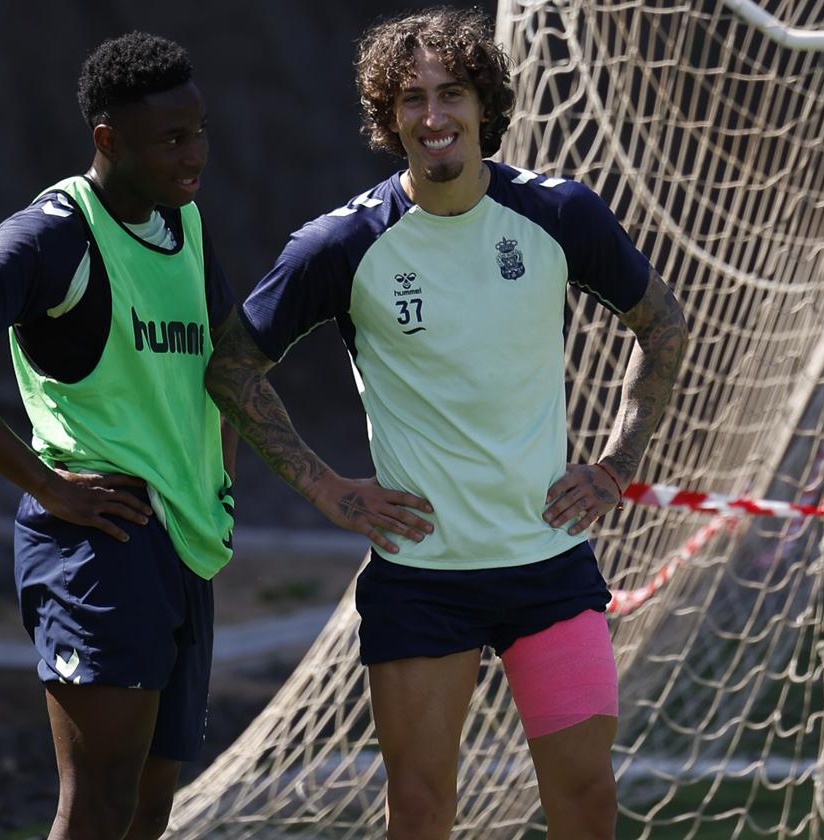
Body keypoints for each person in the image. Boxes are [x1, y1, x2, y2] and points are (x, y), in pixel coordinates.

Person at [204, 7, 688, 840]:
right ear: (388, 119)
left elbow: (664, 327)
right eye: (412, 99)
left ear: (484, 105)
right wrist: (328, 490)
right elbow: (232, 365)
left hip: (549, 565)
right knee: (422, 813)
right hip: (423, 578)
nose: (434, 116)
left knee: (586, 804)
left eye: (452, 94)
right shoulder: (341, 243)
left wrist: (615, 464)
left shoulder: (560, 214)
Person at [0, 31, 237, 840]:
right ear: (107, 141)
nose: (193, 156)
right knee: (96, 804)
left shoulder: (184, 224)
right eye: (170, 140)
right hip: (97, 542)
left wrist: (222, 484)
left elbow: (228, 370)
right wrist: (47, 486)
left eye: (198, 132)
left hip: (185, 544)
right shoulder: (51, 233)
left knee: (150, 810)